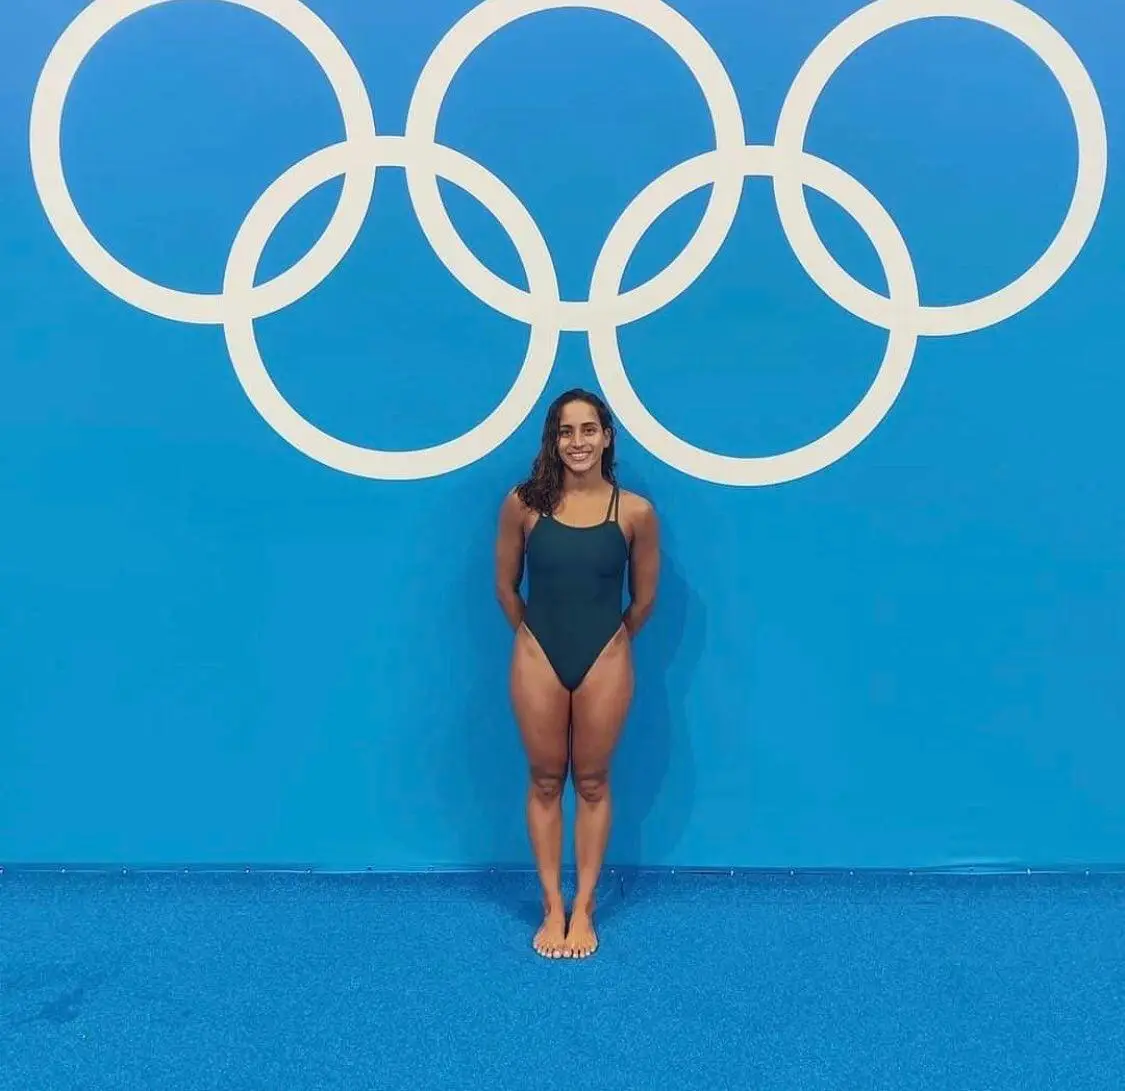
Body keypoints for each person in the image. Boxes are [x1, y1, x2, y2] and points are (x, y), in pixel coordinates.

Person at [494, 388, 660, 959]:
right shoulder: (523, 505)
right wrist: (535, 637)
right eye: (566, 432)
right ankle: (551, 906)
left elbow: (642, 603)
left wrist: (609, 643)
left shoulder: (634, 512)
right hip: (538, 653)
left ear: (607, 436)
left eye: (589, 430)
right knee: (544, 780)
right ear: (553, 439)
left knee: (591, 782)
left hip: (605, 658)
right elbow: (506, 589)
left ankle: (583, 907)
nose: (578, 442)